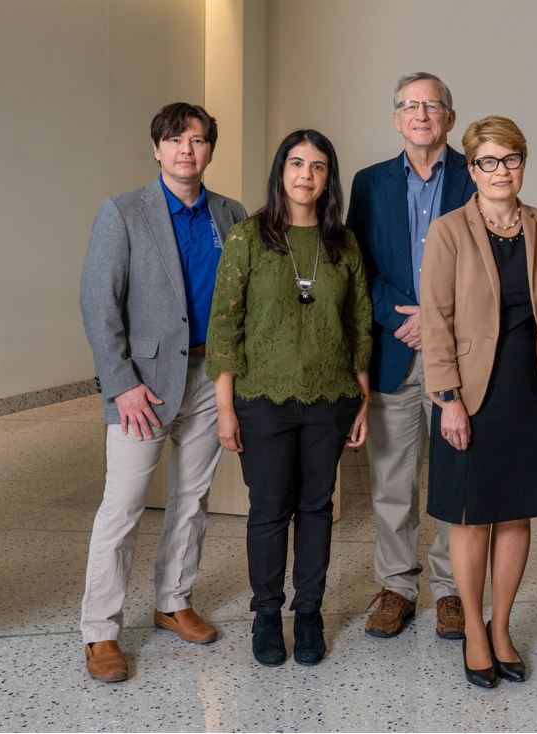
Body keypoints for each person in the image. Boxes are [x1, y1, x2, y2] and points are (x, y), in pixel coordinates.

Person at [79, 102, 247, 683]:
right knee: (123, 506)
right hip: (143, 387)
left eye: (197, 141)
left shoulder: (232, 214)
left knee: (192, 498)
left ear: (208, 151)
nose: (186, 150)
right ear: (157, 148)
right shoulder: (123, 212)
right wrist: (121, 385)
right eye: (175, 140)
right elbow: (99, 304)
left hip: (210, 377)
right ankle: (100, 631)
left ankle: (173, 600)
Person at [206, 129, 372, 667]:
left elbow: (359, 325)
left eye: (318, 166)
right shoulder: (248, 238)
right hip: (262, 400)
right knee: (269, 511)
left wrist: (362, 399)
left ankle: (309, 614)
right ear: (281, 172)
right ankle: (265, 615)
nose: (306, 175)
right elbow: (224, 327)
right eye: (297, 164)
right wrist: (225, 408)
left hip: (330, 400)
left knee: (317, 509)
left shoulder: (343, 244)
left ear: (329, 179)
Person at [420, 115, 537, 688]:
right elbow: (435, 322)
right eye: (488, 160)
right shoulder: (450, 231)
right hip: (471, 394)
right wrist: (448, 399)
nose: (500, 170)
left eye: (510, 159)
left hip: (528, 390)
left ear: (523, 164)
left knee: (515, 512)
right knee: (471, 516)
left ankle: (502, 624)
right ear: (471, 168)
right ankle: (476, 634)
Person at [347, 72, 475, 639]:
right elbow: (357, 268)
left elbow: (490, 264)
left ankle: (450, 590)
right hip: (395, 347)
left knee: (455, 472)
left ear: (450, 116)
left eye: (432, 105)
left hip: (460, 351)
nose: (421, 114)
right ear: (397, 118)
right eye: (410, 105)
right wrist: (402, 315)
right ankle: (397, 585)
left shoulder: (477, 175)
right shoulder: (369, 183)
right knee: (392, 478)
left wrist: (438, 317)